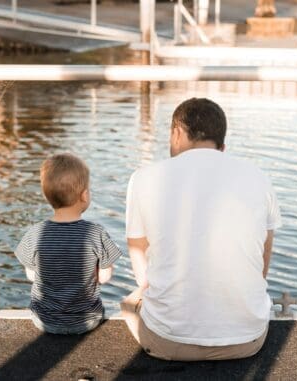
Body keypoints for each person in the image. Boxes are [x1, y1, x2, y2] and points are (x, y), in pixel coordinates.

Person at [121, 98, 282, 360]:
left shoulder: (143, 178)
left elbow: (138, 254)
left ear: (176, 134)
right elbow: (262, 262)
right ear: (222, 146)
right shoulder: (259, 177)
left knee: (131, 300)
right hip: (248, 340)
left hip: (167, 341)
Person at [16, 153, 123, 334]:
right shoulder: (96, 233)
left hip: (44, 320)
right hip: (87, 321)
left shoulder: (35, 233)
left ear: (46, 195)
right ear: (84, 195)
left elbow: (31, 276)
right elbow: (105, 278)